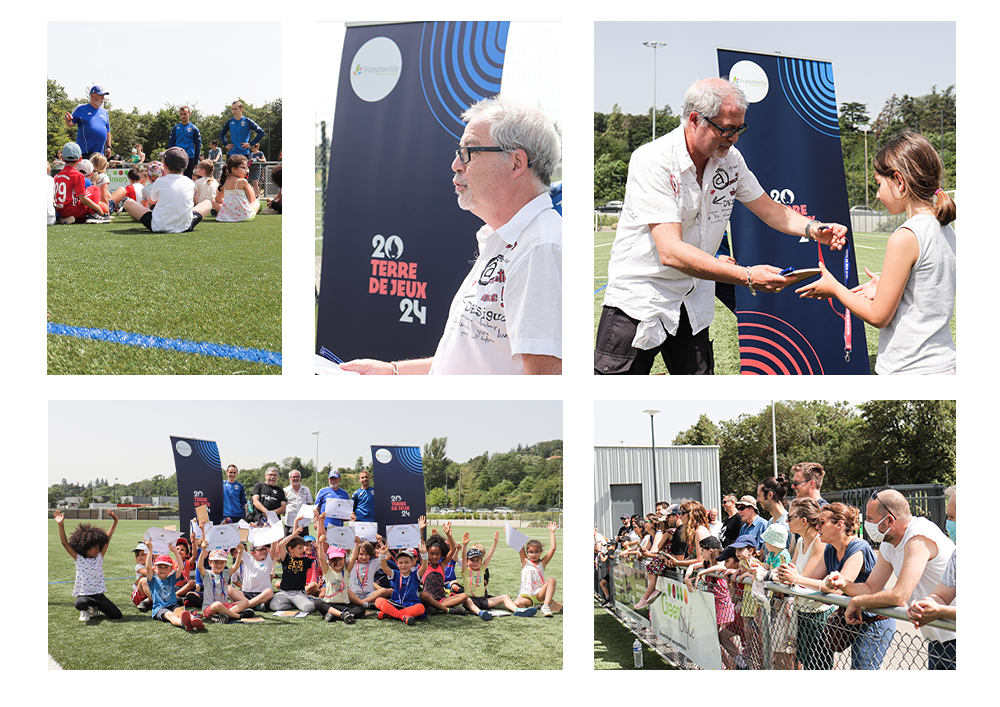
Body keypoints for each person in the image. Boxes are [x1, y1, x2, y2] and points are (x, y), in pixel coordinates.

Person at [593, 77, 848, 376]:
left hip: (692, 302)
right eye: (727, 129)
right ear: (694, 120)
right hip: (639, 303)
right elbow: (671, 252)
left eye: (740, 128)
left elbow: (770, 209)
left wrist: (814, 228)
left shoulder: (731, 161)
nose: (735, 138)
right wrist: (748, 276)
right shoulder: (653, 161)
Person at [340, 96, 564, 376]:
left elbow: (545, 390)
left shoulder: (541, 249)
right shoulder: (506, 240)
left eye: (469, 151)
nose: (456, 164)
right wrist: (393, 372)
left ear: (516, 163)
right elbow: (477, 362)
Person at [797, 131, 957, 375]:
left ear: (899, 181)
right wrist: (886, 287)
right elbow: (929, 289)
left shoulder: (904, 237)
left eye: (879, 184)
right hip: (945, 365)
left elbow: (878, 316)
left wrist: (835, 289)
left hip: (909, 370)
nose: (877, 194)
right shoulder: (946, 228)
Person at [827, 488, 956, 670]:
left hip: (956, 634)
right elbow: (871, 586)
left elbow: (900, 596)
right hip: (937, 638)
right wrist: (843, 584)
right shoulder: (889, 543)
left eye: (870, 519)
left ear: (889, 520)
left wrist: (858, 601)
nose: (866, 523)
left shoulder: (918, 537)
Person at [778, 503, 893, 670]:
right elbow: (812, 579)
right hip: (852, 617)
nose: (817, 527)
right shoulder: (830, 549)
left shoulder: (858, 547)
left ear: (839, 525)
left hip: (873, 619)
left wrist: (795, 579)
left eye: (822, 522)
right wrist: (784, 576)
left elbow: (837, 588)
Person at [776, 497, 832, 671]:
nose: (786, 521)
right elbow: (789, 575)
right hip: (803, 612)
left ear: (803, 521)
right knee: (805, 665)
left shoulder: (819, 543)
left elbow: (801, 578)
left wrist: (786, 576)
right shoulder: (801, 542)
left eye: (790, 517)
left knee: (818, 668)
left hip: (817, 616)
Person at [907, 485, 957, 640]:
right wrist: (925, 605)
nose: (948, 522)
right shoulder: (958, 555)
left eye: (951, 517)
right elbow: (942, 595)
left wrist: (941, 611)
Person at [122, 147, 213, 233]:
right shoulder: (190, 182)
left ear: (164, 165)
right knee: (208, 203)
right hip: (185, 226)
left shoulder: (159, 181)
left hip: (159, 225)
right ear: (185, 167)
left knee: (128, 202)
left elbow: (151, 202)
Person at [54, 510, 122, 622]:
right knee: (80, 603)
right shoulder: (78, 558)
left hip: (99, 596)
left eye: (98, 546)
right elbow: (65, 542)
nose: (98, 549)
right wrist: (60, 524)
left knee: (117, 615)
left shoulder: (99, 557)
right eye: (94, 547)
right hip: (84, 595)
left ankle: (95, 607)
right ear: (85, 548)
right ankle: (85, 609)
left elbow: (107, 538)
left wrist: (115, 521)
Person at [461, 531, 535, 620]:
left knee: (505, 597)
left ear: (481, 561)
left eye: (477, 560)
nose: (475, 562)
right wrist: (464, 545)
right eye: (472, 560)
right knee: (466, 599)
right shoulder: (465, 570)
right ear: (468, 561)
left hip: (483, 600)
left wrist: (495, 542)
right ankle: (480, 613)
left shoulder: (482, 569)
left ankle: (517, 610)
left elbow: (489, 556)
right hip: (471, 600)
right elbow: (464, 558)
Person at [144, 538, 204, 630]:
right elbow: (148, 568)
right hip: (160, 608)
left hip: (174, 605)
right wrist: (150, 549)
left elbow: (180, 568)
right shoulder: (152, 580)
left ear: (170, 569)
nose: (163, 569)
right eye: (160, 567)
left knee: (182, 612)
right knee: (170, 615)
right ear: (154, 568)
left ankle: (194, 620)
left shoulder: (171, 578)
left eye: (166, 567)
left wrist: (175, 551)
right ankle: (183, 623)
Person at [313, 529, 366, 623]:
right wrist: (321, 543)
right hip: (329, 604)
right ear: (329, 561)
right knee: (318, 603)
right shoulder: (327, 571)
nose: (338, 562)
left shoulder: (345, 571)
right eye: (334, 559)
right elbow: (321, 558)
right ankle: (342, 615)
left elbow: (353, 558)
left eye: (340, 559)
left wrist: (356, 544)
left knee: (361, 609)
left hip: (344, 605)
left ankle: (334, 615)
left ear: (345, 558)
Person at [513, 521, 563, 616]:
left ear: (541, 552)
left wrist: (552, 532)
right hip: (527, 596)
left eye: (537, 551)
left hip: (540, 594)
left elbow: (553, 548)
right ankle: (535, 606)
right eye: (531, 552)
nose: (534, 554)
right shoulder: (525, 561)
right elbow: (520, 546)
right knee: (516, 603)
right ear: (527, 552)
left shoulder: (542, 563)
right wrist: (514, 532)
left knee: (551, 580)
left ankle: (545, 606)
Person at [53, 142, 102, 224]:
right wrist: (98, 208)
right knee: (95, 188)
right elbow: (83, 199)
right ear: (80, 159)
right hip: (73, 210)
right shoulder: (77, 175)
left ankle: (66, 218)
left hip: (60, 211)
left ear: (63, 159)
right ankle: (93, 214)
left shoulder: (58, 175)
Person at [271, 525, 316, 613]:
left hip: (298, 593)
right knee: (274, 606)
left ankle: (305, 599)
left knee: (309, 608)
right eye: (299, 548)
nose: (302, 550)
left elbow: (320, 561)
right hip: (283, 592)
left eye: (303, 548)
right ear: (290, 549)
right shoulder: (286, 558)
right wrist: (294, 534)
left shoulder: (306, 560)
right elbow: (281, 545)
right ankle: (293, 605)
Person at [64, 86, 112, 158]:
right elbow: (70, 124)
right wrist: (68, 120)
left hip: (100, 154)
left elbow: (107, 131)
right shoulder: (81, 109)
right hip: (85, 153)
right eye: (100, 95)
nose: (103, 98)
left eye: (103, 96)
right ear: (92, 96)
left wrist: (109, 147)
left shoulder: (104, 112)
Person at [214, 154, 262, 221]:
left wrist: (230, 202)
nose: (247, 171)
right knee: (257, 202)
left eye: (247, 168)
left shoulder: (226, 183)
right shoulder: (243, 181)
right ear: (233, 169)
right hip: (245, 217)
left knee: (213, 202)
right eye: (244, 168)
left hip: (226, 217)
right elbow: (252, 200)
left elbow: (217, 199)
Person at [231, 541, 276, 612]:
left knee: (269, 592)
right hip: (246, 593)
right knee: (229, 589)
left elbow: (273, 546)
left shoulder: (268, 560)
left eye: (265, 549)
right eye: (260, 549)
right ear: (253, 553)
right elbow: (237, 545)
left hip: (262, 594)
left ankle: (245, 605)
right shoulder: (248, 559)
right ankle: (255, 606)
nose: (264, 551)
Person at [757, 475, 793, 553]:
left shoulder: (787, 524)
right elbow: (765, 554)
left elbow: (788, 558)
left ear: (770, 495)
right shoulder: (770, 521)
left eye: (759, 496)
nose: (757, 500)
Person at [167, 105, 202, 179]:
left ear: (189, 114)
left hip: (189, 158)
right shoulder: (175, 128)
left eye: (185, 114)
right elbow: (171, 145)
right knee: (176, 179)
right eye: (181, 114)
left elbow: (198, 146)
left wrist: (196, 162)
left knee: (188, 179)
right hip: (177, 158)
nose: (183, 116)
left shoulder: (194, 128)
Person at [283, 470, 313, 537]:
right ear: (289, 478)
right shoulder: (285, 491)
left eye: (297, 477)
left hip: (303, 524)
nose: (296, 478)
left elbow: (309, 504)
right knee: (289, 544)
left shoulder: (306, 490)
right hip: (290, 523)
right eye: (293, 477)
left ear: (300, 478)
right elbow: (283, 506)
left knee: (303, 545)